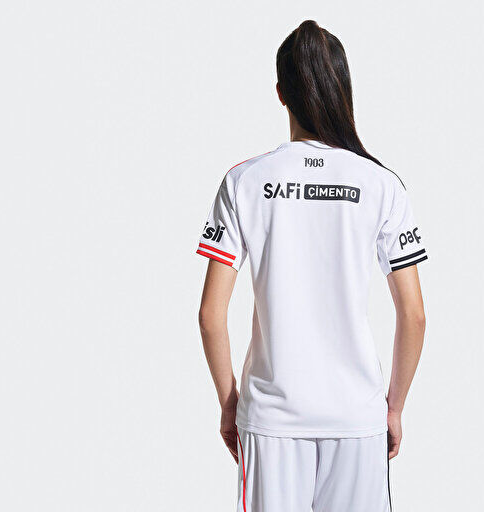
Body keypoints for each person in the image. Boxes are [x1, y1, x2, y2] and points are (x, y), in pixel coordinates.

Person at [197, 20, 426, 512]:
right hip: (356, 418)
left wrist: (229, 403)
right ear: (343, 88)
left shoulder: (244, 182)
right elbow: (414, 314)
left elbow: (210, 315)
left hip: (272, 420)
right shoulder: (382, 185)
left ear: (281, 93)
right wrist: (395, 407)